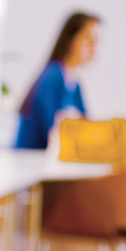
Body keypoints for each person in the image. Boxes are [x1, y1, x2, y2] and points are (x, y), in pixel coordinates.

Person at [15, 12, 101, 149]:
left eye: (97, 41)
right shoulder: (53, 76)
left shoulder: (75, 84)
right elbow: (54, 131)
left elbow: (87, 130)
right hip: (30, 163)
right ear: (70, 39)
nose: (94, 47)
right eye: (89, 39)